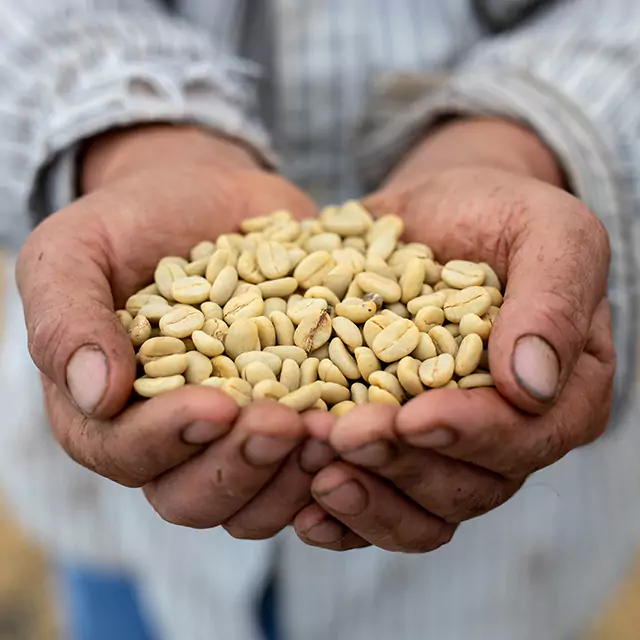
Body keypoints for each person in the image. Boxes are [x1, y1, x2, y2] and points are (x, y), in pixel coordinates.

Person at [0, 0, 639, 638]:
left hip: (501, 568)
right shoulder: (209, 310)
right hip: (128, 539)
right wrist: (128, 141)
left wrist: (525, 142)